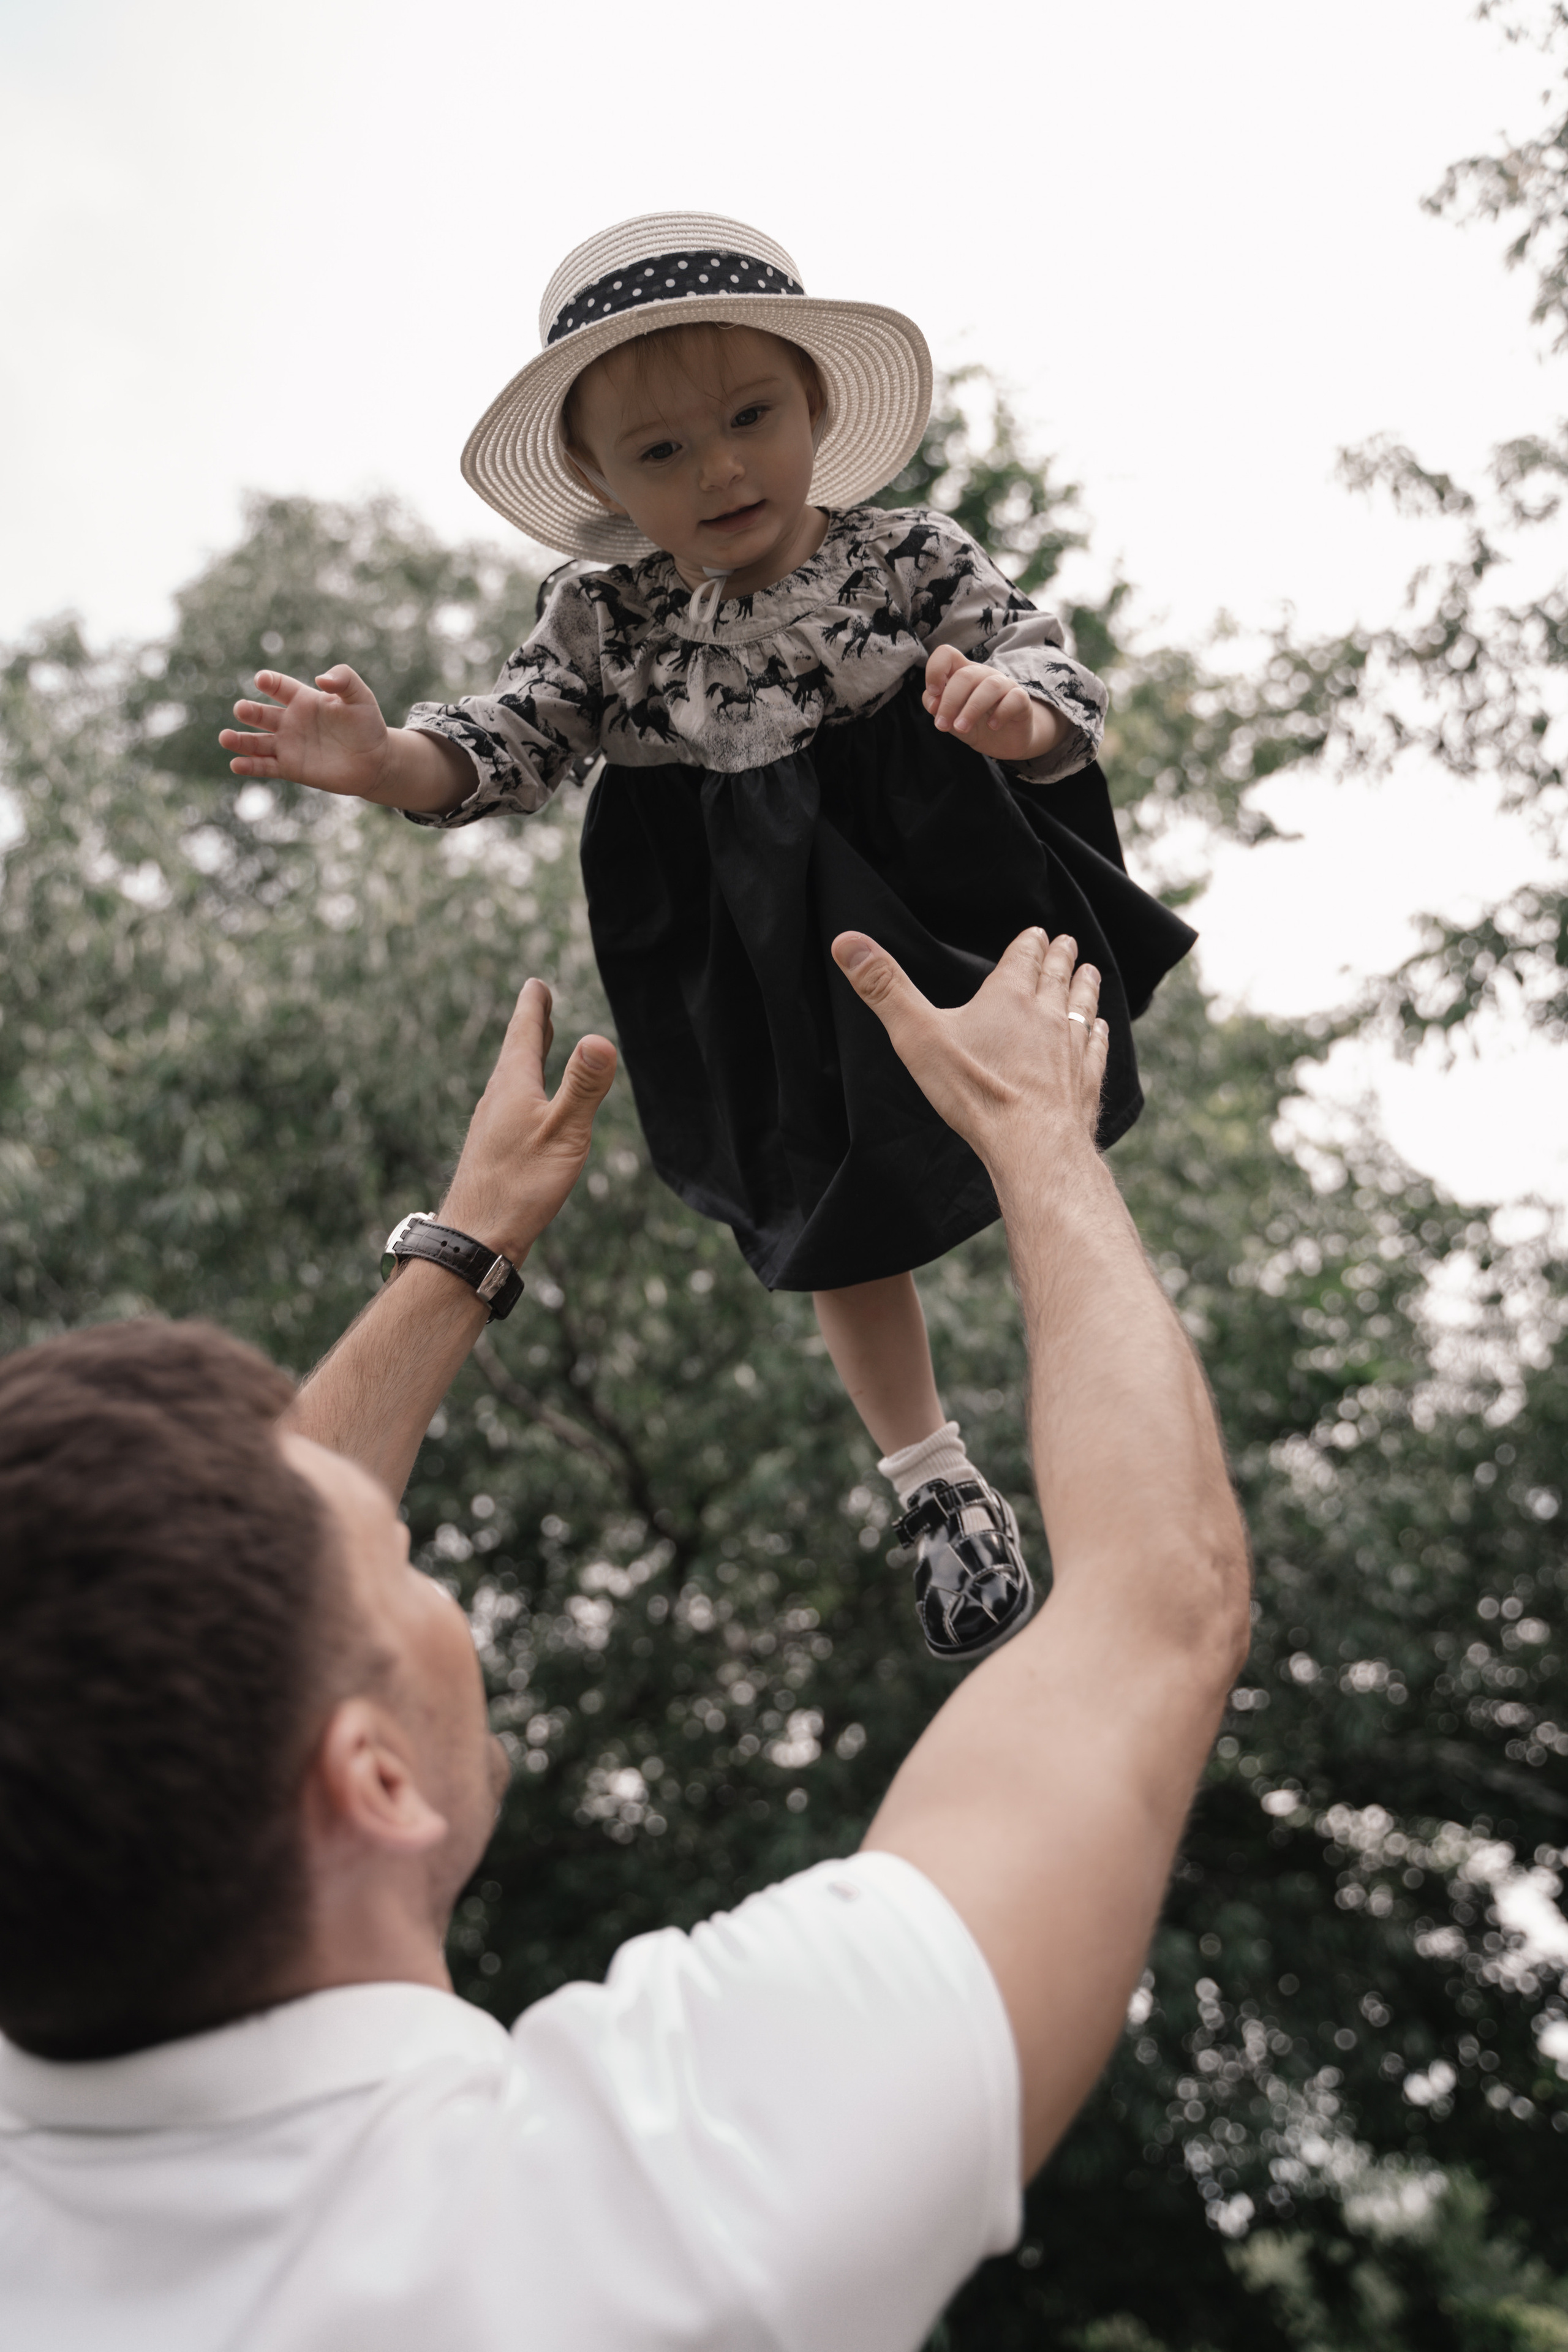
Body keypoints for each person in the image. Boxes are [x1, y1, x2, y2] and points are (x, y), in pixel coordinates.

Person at [0, 926, 1250, 2352]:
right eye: (401, 1564)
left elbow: (162, 1604)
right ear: (377, 1783)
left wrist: (462, 1245)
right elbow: (1156, 1601)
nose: (410, 1560)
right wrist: (1034, 1133)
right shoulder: (677, 2212)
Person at [218, 209, 1198, 1668]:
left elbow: (1036, 650)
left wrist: (1023, 712)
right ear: (601, 482)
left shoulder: (904, 552)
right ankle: (932, 1485)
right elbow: (509, 741)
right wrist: (382, 764)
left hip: (920, 866)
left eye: (748, 418)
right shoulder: (601, 621)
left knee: (1026, 1120)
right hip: (744, 930)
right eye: (661, 451)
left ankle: (1115, 1419)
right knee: (821, 1201)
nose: (719, 468)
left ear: (813, 407)